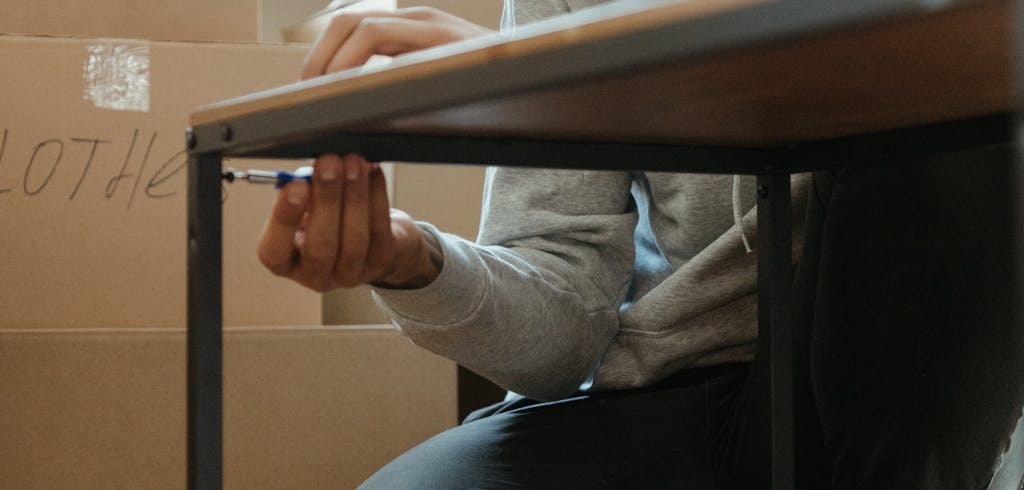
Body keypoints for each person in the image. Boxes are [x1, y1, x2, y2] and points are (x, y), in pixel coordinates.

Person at [257, 1, 1024, 488]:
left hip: (895, 388)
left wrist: (598, 79)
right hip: (671, 388)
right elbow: (564, 331)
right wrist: (416, 263)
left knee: (960, 131)